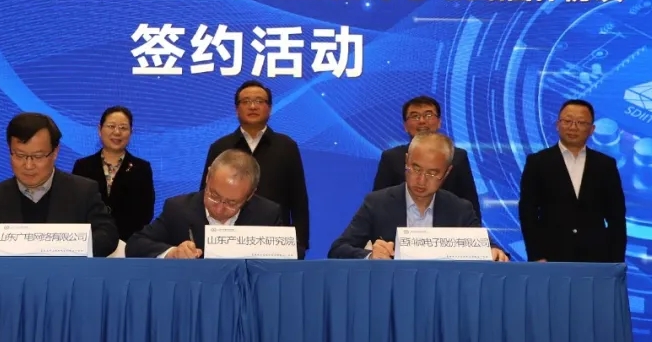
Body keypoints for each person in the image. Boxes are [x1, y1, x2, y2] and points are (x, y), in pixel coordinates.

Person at [0, 113, 118, 257]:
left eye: (38, 156)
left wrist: (69, 247)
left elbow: (108, 235)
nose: (28, 165)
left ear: (55, 152)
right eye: (19, 155)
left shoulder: (83, 191)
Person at [330, 132, 508, 261]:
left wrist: (494, 252)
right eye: (416, 168)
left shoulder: (459, 209)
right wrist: (370, 255)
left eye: (432, 173)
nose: (421, 180)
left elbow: (491, 248)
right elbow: (338, 250)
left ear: (447, 173)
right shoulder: (377, 203)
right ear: (406, 161)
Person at [200, 80, 310, 252]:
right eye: (246, 101)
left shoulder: (286, 146)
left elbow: (299, 200)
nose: (252, 106)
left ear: (269, 108)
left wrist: (300, 244)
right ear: (236, 109)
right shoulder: (221, 147)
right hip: (226, 239)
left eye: (259, 101)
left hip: (274, 239)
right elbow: (204, 194)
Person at [518, 99, 627, 263]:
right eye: (567, 121)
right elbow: (528, 212)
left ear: (592, 129)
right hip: (550, 256)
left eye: (581, 122)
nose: (573, 127)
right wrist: (536, 255)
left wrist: (615, 261)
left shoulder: (605, 165)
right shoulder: (537, 162)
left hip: (597, 259)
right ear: (557, 125)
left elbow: (616, 217)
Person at [127, 149, 285, 259]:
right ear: (208, 177)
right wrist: (172, 253)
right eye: (214, 196)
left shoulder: (267, 214)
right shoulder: (178, 209)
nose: (219, 208)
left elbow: (290, 257)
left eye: (232, 203)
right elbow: (135, 245)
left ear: (250, 195)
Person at [372, 95, 481, 219]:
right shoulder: (391, 157)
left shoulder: (457, 157)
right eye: (415, 116)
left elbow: (470, 203)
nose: (422, 121)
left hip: (447, 226)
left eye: (428, 115)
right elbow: (378, 203)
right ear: (405, 126)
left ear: (439, 122)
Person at [71, 106, 155, 243]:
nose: (117, 132)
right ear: (100, 130)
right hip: (90, 243)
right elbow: (76, 208)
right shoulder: (82, 166)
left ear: (131, 132)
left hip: (128, 244)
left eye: (123, 128)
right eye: (111, 126)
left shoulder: (142, 168)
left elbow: (146, 213)